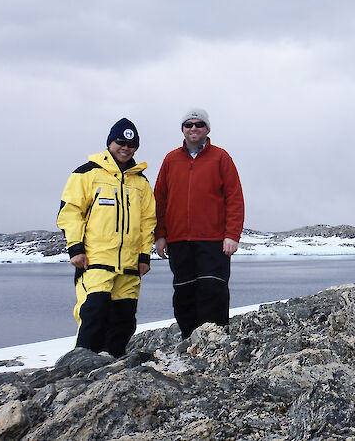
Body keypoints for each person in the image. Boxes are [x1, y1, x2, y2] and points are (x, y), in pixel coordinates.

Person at [57, 118, 156, 357]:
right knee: (94, 314)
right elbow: (70, 212)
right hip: (95, 263)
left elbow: (147, 222)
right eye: (120, 142)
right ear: (110, 143)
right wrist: (75, 248)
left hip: (130, 266)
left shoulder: (141, 183)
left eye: (131, 145)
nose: (125, 148)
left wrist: (144, 256)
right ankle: (80, 371)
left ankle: (112, 372)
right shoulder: (86, 173)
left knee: (123, 321)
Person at [154, 108, 245, 339]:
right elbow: (160, 200)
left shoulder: (221, 157)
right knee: (184, 292)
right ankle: (189, 340)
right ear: (182, 129)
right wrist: (160, 235)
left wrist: (232, 234)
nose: (193, 128)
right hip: (178, 241)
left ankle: (215, 340)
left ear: (207, 129)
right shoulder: (171, 159)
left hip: (213, 240)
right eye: (188, 124)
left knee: (213, 289)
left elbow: (234, 197)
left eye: (199, 124)